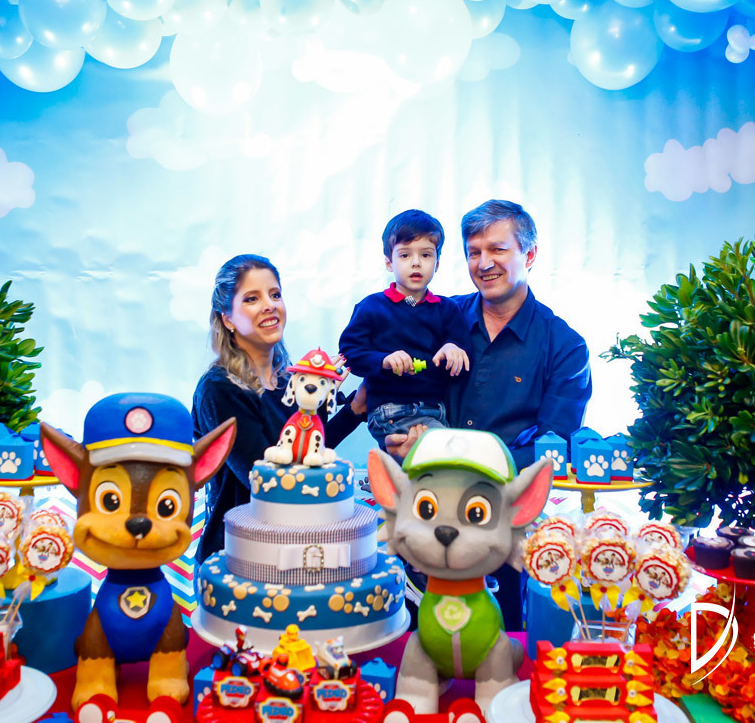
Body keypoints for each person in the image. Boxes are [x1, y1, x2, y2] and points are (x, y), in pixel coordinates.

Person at [386, 199, 591, 630]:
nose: (484, 264)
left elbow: (551, 450)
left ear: (529, 255)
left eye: (498, 249)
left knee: (501, 649)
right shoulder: (437, 319)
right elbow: (399, 393)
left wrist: (447, 458)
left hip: (502, 535)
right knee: (417, 648)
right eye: (473, 252)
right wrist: (398, 433)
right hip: (425, 527)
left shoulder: (565, 346)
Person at [193, 254, 367, 565]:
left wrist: (352, 410)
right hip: (239, 558)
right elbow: (267, 480)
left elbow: (307, 452)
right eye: (252, 298)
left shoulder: (289, 381)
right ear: (227, 318)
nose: (269, 305)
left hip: (292, 547)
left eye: (275, 295)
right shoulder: (220, 389)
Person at [338, 209, 471, 452]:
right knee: (445, 451)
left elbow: (465, 352)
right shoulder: (372, 306)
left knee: (440, 454)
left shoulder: (448, 309)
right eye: (405, 255)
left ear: (437, 263)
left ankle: (388, 468)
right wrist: (383, 360)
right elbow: (349, 353)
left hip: (435, 411)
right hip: (389, 411)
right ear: (389, 262)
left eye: (426, 254)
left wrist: (454, 348)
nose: (416, 262)